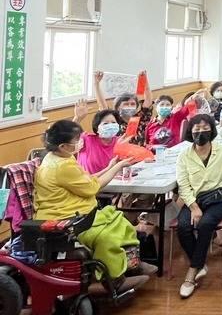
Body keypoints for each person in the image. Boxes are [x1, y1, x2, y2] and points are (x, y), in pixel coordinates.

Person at [34, 120, 149, 291]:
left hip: (79, 212)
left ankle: (130, 265)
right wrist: (118, 166)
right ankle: (114, 279)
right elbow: (93, 187)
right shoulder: (62, 166)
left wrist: (109, 167)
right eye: (76, 139)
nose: (81, 142)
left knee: (121, 222)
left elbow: (86, 180)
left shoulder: (57, 158)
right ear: (64, 146)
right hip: (64, 218)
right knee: (108, 236)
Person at [175, 114, 222, 298]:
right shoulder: (184, 154)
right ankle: (200, 263)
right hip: (195, 200)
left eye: (204, 128)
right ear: (190, 132)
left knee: (205, 224)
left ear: (212, 130)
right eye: (196, 129)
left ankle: (191, 273)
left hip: (220, 198)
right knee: (183, 227)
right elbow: (183, 185)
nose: (200, 132)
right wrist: (193, 207)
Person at [76, 108, 121, 174]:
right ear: (97, 127)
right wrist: (77, 119)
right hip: (87, 182)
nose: (110, 126)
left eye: (113, 122)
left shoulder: (119, 141)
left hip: (111, 181)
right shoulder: (87, 139)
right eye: (105, 123)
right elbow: (68, 134)